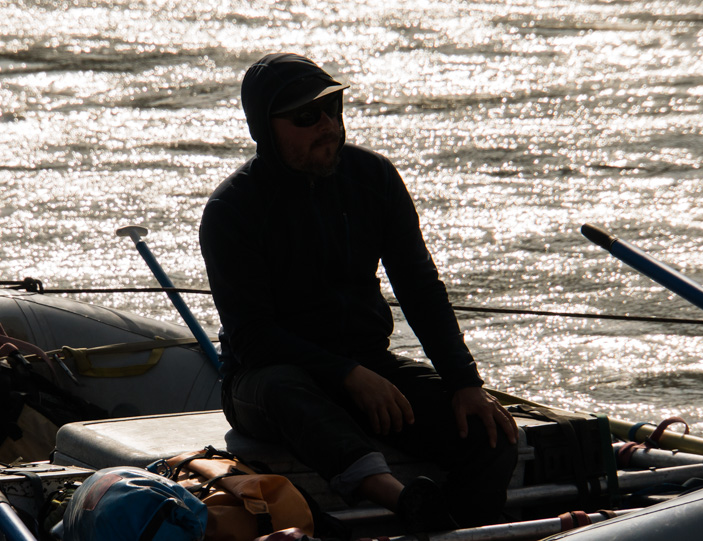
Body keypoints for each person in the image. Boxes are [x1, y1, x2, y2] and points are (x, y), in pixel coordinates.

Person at [199, 52, 519, 532]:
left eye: (334, 107)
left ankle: (456, 526)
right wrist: (347, 374)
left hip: (368, 366)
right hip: (264, 383)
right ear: (265, 129)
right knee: (285, 386)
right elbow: (252, 336)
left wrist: (464, 380)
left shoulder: (374, 178)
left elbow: (419, 286)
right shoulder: (232, 210)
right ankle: (402, 500)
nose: (327, 124)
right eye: (307, 117)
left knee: (488, 432)